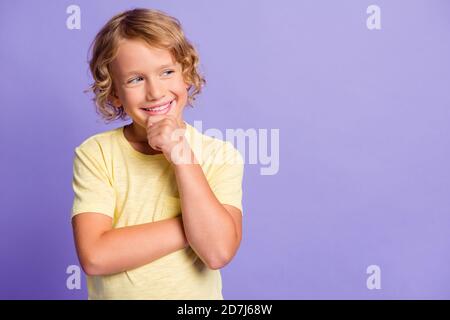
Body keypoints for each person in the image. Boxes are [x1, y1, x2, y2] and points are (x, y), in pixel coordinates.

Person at [71, 8, 244, 299]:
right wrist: (194, 228)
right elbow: (95, 256)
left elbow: (217, 251)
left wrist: (180, 153)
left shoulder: (221, 155)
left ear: (186, 75)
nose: (155, 92)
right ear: (114, 92)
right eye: (135, 79)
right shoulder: (96, 154)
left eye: (166, 72)